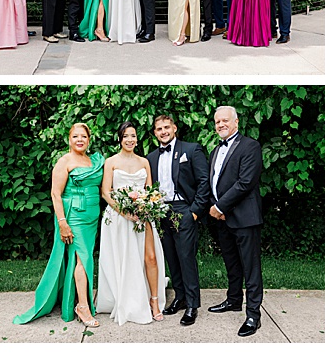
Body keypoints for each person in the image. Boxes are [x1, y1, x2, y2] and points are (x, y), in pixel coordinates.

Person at [12, 123, 106, 328]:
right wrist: (63, 222)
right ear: (69, 139)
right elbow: (56, 194)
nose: (80, 139)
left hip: (91, 216)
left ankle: (76, 299)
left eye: (84, 136)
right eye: (75, 136)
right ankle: (82, 306)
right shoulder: (64, 161)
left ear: (89, 139)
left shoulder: (93, 161)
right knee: (85, 258)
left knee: (83, 258)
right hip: (74, 216)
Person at [96, 122, 168, 325]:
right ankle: (130, 300)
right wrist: (124, 211)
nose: (130, 140)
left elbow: (151, 191)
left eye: (133, 136)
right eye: (126, 136)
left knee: (151, 258)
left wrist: (146, 207)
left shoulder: (144, 162)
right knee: (126, 260)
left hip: (143, 216)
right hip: (119, 218)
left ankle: (154, 301)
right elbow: (106, 192)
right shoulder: (111, 162)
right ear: (119, 138)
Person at [205, 106, 265, 337]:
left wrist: (219, 207)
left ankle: (253, 315)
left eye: (225, 121)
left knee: (250, 267)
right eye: (217, 121)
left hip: (244, 217)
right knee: (231, 263)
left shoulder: (250, 146)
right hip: (222, 219)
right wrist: (215, 206)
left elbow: (245, 182)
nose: (220, 125)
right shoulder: (214, 151)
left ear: (236, 122)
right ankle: (233, 300)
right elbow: (214, 183)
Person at [146, 114, 209, 326]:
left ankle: (192, 304)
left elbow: (203, 181)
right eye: (159, 129)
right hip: (160, 210)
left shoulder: (191, 150)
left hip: (183, 209)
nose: (163, 131)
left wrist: (194, 211)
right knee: (171, 256)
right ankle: (180, 297)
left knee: (186, 257)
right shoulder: (151, 157)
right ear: (155, 133)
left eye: (166, 127)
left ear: (174, 128)